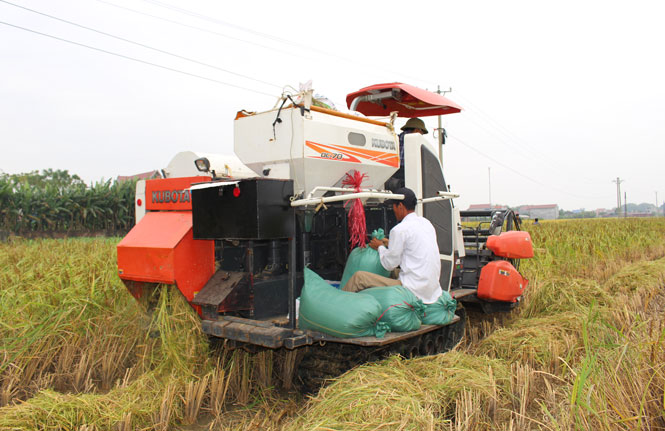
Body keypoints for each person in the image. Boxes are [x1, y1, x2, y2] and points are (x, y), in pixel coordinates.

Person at [342, 187, 442, 304]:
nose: (392, 210)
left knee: (359, 278)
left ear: (400, 206)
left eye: (393, 206)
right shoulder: (426, 224)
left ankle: (338, 306)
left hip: (412, 289)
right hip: (431, 288)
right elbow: (411, 247)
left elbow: (389, 264)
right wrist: (388, 243)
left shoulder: (399, 230)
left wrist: (379, 247)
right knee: (395, 272)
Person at [387, 118, 428, 191]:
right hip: (405, 172)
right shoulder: (413, 141)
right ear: (417, 130)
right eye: (421, 132)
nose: (421, 135)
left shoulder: (397, 138)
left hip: (392, 172)